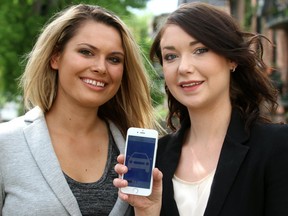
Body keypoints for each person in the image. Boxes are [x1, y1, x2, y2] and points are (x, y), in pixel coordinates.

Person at [114, 2, 288, 216]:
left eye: (200, 50)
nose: (184, 67)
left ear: (231, 59)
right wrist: (147, 212)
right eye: (171, 56)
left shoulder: (277, 146)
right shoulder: (154, 159)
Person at [0, 4, 162, 216]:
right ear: (55, 57)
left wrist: (148, 211)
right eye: (86, 52)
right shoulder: (6, 143)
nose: (101, 68)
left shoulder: (135, 151)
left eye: (114, 59)